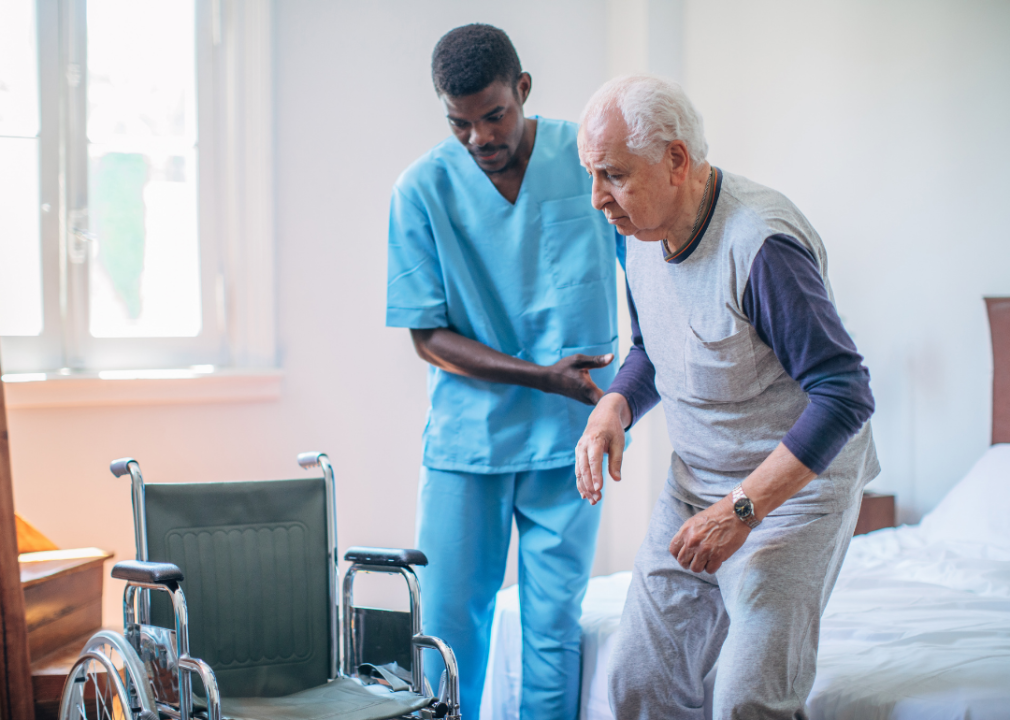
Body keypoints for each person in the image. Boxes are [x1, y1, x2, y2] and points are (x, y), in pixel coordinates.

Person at [573, 75, 880, 719]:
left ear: (676, 161)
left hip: (793, 498)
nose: (598, 198)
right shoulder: (638, 233)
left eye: (614, 175)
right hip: (697, 484)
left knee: (747, 702)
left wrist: (739, 510)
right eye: (593, 175)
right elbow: (656, 349)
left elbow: (844, 393)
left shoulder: (760, 245)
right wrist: (616, 406)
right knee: (637, 682)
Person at [385, 24, 625, 719]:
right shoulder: (422, 189)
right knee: (449, 637)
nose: (480, 138)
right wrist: (542, 376)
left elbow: (647, 266)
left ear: (523, 90)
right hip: (470, 444)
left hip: (569, 443)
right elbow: (427, 336)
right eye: (460, 123)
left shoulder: (588, 161)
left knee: (553, 632)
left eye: (494, 115)